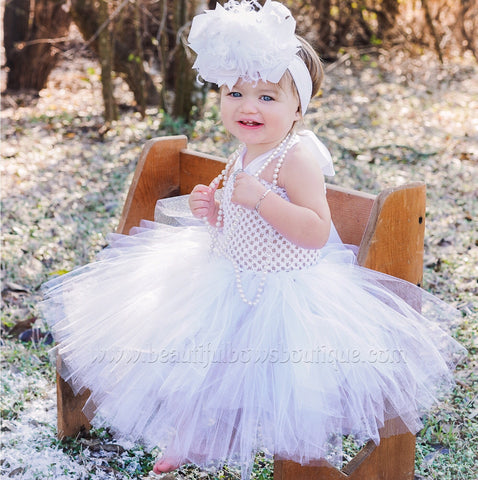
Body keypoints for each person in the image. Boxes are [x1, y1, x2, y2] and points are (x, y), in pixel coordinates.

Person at [42, 2, 466, 479]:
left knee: (250, 372)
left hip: (282, 291)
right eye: (235, 92)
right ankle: (190, 435)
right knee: (196, 360)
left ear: (297, 107)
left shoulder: (296, 157)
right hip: (226, 275)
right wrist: (215, 211)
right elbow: (245, 222)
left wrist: (262, 198)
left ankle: (222, 442)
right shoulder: (245, 151)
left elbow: (314, 230)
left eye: (267, 97)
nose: (248, 106)